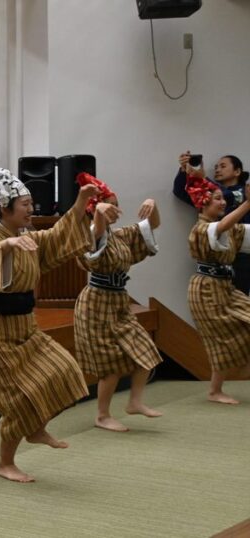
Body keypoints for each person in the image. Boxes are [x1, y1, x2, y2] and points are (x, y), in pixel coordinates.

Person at [0, 167, 99, 483]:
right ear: (5, 208)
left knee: (65, 371)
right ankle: (5, 463)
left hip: (25, 328)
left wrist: (81, 201)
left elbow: (58, 235)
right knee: (19, 401)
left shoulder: (27, 238)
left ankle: (36, 428)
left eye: (31, 204)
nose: (31, 210)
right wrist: (7, 246)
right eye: (25, 205)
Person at [71, 174, 163, 432]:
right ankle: (102, 415)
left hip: (119, 301)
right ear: (95, 208)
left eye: (116, 205)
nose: (115, 209)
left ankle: (135, 402)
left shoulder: (120, 236)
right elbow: (97, 233)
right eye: (110, 205)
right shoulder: (90, 234)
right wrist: (99, 211)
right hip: (96, 304)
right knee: (110, 364)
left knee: (146, 351)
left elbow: (152, 224)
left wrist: (152, 203)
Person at [183, 173, 250, 404]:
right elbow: (220, 228)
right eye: (218, 199)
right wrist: (247, 204)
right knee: (220, 339)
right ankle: (215, 391)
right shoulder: (201, 228)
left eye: (223, 199)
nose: (223, 202)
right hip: (205, 290)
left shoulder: (230, 228)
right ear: (204, 202)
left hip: (225, 288)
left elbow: (236, 229)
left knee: (231, 335)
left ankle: (216, 389)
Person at [172, 151, 250, 293]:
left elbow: (228, 197)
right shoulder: (209, 195)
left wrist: (202, 178)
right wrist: (184, 170)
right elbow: (180, 191)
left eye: (223, 166)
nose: (217, 170)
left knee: (239, 297)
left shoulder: (243, 192)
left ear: (237, 171)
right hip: (212, 259)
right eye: (216, 167)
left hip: (240, 256)